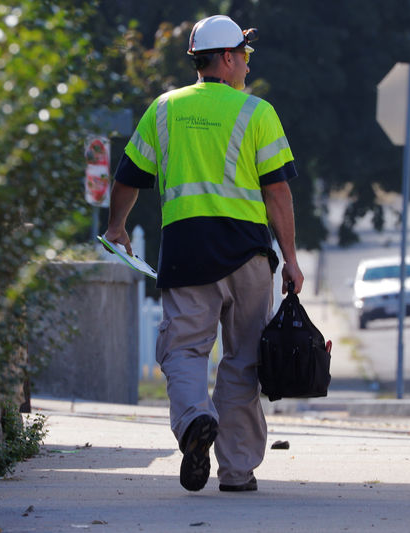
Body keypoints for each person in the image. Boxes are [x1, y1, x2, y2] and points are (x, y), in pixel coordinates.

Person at [104, 14, 303, 493]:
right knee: (243, 360)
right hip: (249, 254)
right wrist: (291, 259)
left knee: (183, 350)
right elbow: (278, 194)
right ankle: (236, 470)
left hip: (187, 254)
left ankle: (195, 421)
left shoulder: (164, 109)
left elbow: (129, 177)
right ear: (229, 58)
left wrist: (116, 227)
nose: (249, 67)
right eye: (246, 57)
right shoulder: (257, 112)